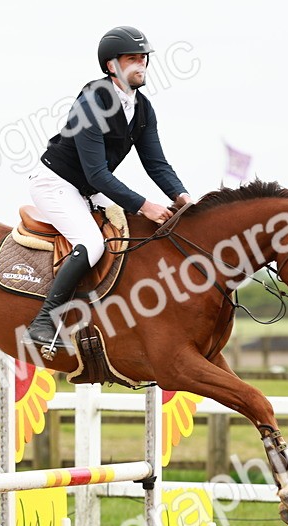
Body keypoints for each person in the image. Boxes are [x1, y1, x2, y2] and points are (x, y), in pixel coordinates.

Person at [24, 25, 191, 351]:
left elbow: (156, 164)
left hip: (86, 187)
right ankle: (44, 322)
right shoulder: (92, 101)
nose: (140, 65)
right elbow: (98, 173)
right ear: (111, 65)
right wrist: (146, 204)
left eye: (143, 58)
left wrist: (183, 198)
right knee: (92, 243)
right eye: (132, 59)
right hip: (56, 182)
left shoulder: (142, 108)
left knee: (137, 232)